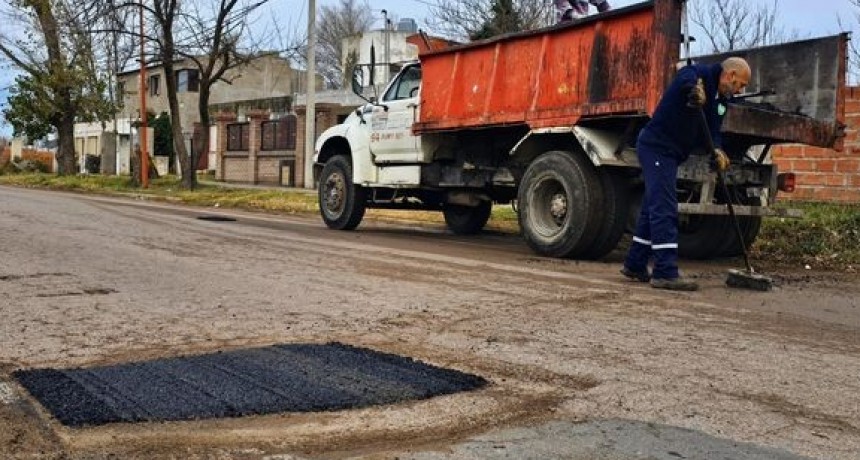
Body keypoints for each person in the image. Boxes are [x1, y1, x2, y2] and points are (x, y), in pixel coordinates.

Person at [621, 57, 751, 291]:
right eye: (741, 84)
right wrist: (693, 90)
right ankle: (665, 272)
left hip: (671, 153)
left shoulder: (721, 100)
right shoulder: (699, 74)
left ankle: (635, 264)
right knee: (665, 206)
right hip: (656, 147)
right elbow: (685, 76)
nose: (740, 90)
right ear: (731, 75)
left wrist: (717, 149)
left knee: (652, 206)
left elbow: (713, 129)